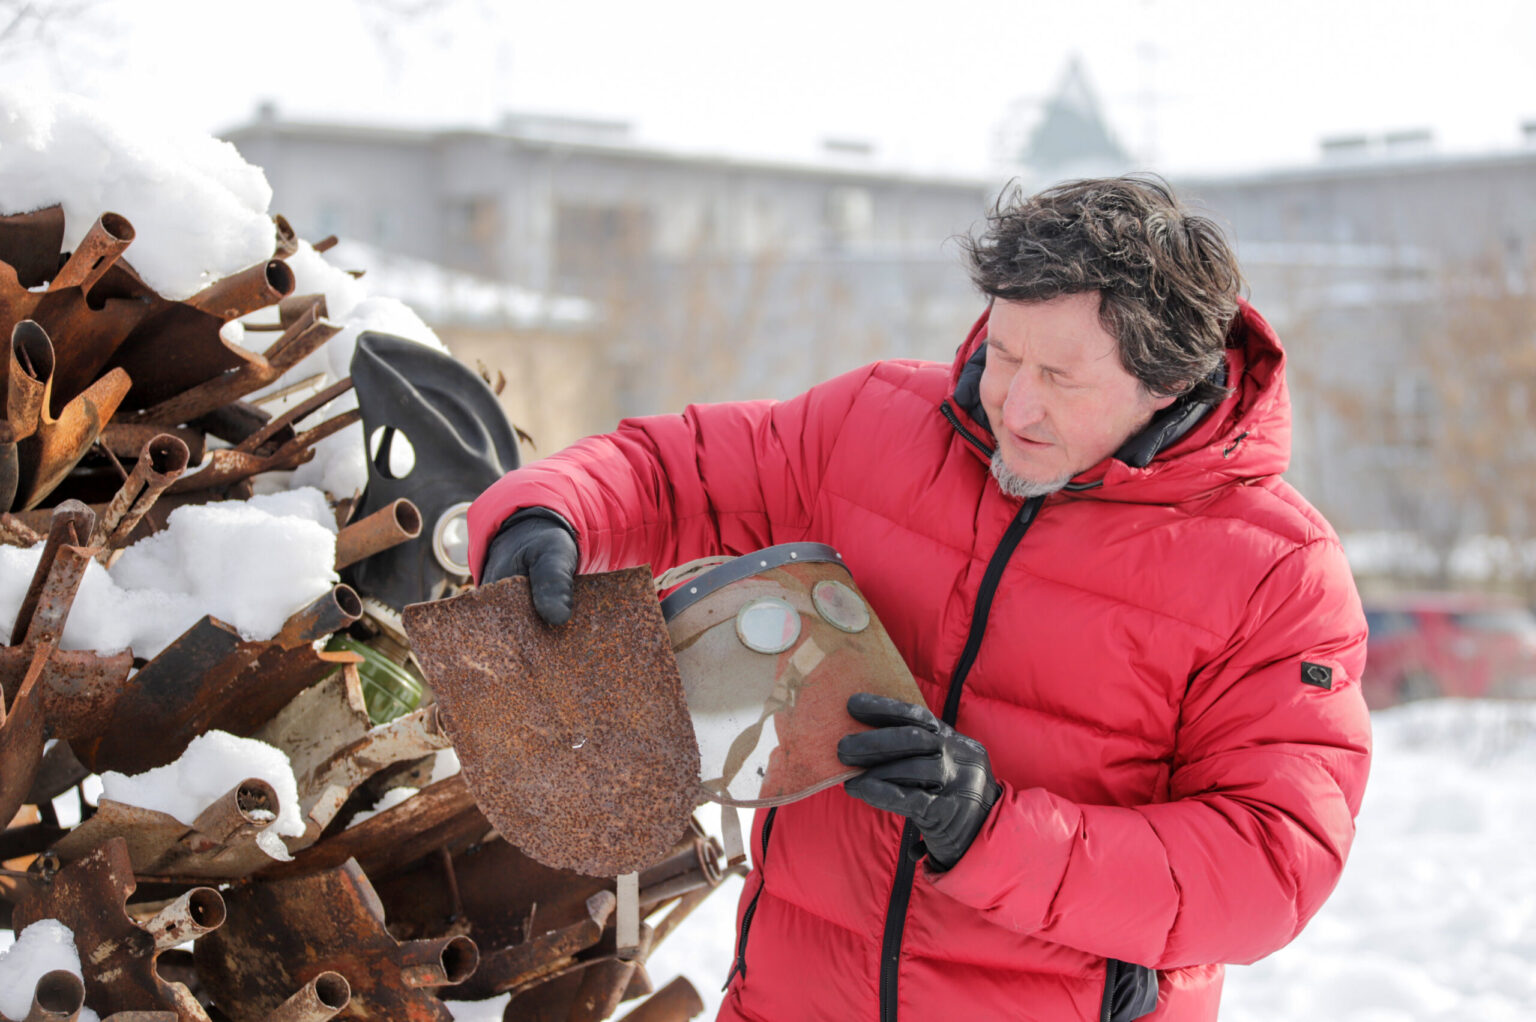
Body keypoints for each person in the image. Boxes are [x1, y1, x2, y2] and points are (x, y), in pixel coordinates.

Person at [466, 176, 1372, 1022]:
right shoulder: (877, 426)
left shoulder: (1275, 571)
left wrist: (991, 832)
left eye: (1059, 378)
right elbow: (679, 471)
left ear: (1168, 382)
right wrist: (547, 514)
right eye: (1005, 352)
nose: (1011, 403)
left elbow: (1269, 863)